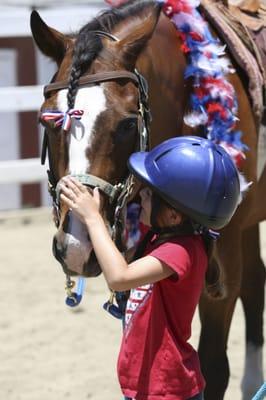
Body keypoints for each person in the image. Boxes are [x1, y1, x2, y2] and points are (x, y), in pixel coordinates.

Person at [60, 136, 241, 400]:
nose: (141, 195)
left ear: (173, 215)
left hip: (167, 389)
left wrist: (92, 218)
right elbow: (116, 256)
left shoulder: (181, 251)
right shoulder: (160, 237)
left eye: (150, 193)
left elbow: (119, 277)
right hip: (147, 386)